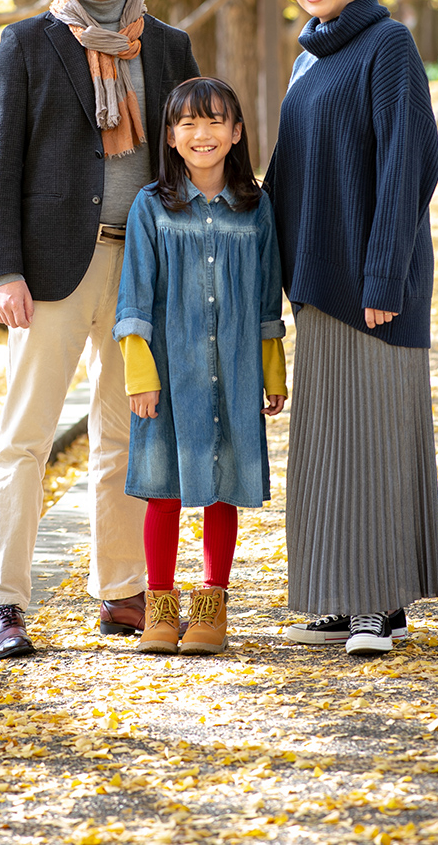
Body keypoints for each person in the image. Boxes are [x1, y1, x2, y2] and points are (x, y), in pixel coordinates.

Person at [0, 0, 198, 658]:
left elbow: (190, 154)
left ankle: (120, 593)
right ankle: (2, 600)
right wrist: (3, 270)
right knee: (24, 438)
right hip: (48, 272)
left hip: (143, 266)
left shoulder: (169, 46)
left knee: (124, 436)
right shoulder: (27, 44)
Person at [263, 0, 438, 657]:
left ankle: (378, 604)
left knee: (375, 436)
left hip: (372, 287)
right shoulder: (310, 56)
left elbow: (408, 167)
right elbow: (288, 176)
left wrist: (383, 278)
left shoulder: (388, 45)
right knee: (331, 443)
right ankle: (346, 599)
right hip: (318, 283)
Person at [113, 77, 288, 655]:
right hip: (169, 371)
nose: (201, 133)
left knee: (220, 490)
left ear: (237, 133)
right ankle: (159, 608)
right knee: (163, 488)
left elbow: (267, 298)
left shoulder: (255, 207)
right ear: (170, 135)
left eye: (215, 121)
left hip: (235, 369)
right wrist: (140, 373)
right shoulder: (152, 206)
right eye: (187, 122)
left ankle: (212, 607)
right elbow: (134, 297)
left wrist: (272, 370)